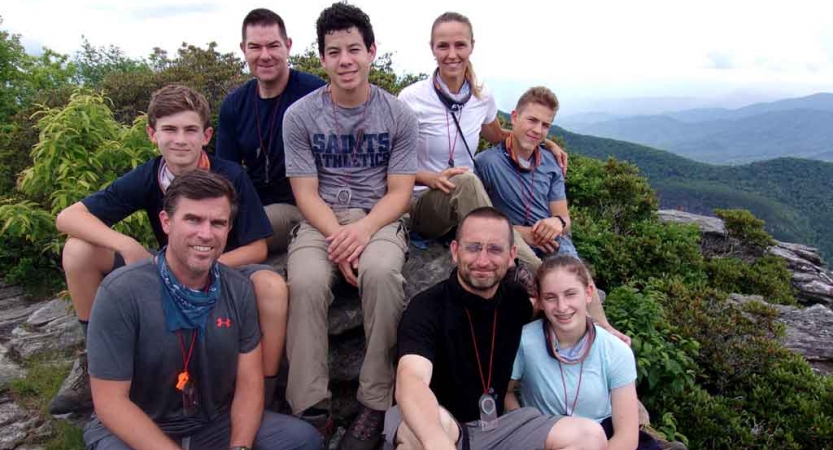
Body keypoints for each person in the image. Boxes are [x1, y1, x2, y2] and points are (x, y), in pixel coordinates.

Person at [53, 85, 289, 414]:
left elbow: (257, 247)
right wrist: (125, 244)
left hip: (223, 266)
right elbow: (68, 217)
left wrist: (205, 266)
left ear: (206, 135)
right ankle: (94, 361)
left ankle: (267, 389)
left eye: (190, 130)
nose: (180, 140)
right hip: (166, 267)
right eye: (170, 129)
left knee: (272, 286)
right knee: (78, 251)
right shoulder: (150, 175)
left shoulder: (230, 175)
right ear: (152, 134)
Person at [82, 170, 321, 450]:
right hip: (138, 428)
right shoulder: (121, 292)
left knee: (302, 440)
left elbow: (248, 383)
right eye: (193, 219)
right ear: (166, 222)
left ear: (228, 229)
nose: (206, 234)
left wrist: (240, 447)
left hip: (212, 424)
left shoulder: (238, 289)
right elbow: (110, 403)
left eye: (217, 223)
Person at [281, 3, 417, 449]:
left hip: (379, 216)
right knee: (303, 280)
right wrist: (341, 237)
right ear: (321, 59)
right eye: (334, 51)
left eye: (354, 49)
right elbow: (304, 192)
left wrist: (361, 232)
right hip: (321, 220)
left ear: (371, 51)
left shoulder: (398, 115)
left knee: (380, 274)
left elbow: (400, 192)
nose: (345, 60)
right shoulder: (300, 116)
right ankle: (310, 409)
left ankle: (376, 402)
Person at [384, 207, 607, 450]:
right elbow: (412, 380)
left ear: (512, 255)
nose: (483, 260)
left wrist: (600, 325)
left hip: (497, 428)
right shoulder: (426, 308)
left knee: (589, 435)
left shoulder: (516, 300)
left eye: (494, 249)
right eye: (473, 247)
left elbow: (555, 306)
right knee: (415, 435)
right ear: (455, 251)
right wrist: (438, 442)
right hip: (438, 424)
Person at [475, 86, 629, 344]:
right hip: (514, 242)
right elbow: (480, 217)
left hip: (554, 244)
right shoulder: (487, 163)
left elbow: (564, 219)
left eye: (545, 125)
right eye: (532, 120)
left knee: (571, 275)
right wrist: (525, 234)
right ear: (514, 117)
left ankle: (602, 328)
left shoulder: (550, 164)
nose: (537, 130)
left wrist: (555, 223)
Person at [398, 12, 568, 244]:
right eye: (443, 46)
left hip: (467, 198)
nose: (451, 54)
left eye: (460, 45)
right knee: (467, 181)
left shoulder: (481, 96)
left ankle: (521, 264)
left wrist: (546, 142)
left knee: (468, 182)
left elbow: (498, 135)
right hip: (423, 204)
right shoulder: (412, 99)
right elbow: (390, 163)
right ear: (432, 49)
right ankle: (532, 270)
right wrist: (431, 178)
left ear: (471, 47)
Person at [506, 256, 660, 450]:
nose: (562, 307)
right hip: (546, 437)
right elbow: (506, 391)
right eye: (550, 297)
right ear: (540, 301)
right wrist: (524, 426)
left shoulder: (616, 351)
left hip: (603, 439)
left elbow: (626, 438)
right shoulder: (525, 342)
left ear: (588, 293)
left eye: (570, 294)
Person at [216, 8, 326, 253]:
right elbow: (226, 175)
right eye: (255, 47)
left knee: (241, 231)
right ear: (243, 49)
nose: (264, 55)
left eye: (273, 46)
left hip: (304, 206)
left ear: (287, 46)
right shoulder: (234, 105)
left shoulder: (315, 93)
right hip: (252, 203)